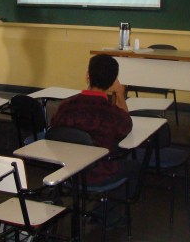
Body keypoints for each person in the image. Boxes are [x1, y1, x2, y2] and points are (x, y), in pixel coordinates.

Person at [50, 54, 139, 197]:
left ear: (87, 76)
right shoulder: (112, 114)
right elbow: (126, 125)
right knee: (133, 164)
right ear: (112, 82)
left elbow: (53, 130)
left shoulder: (64, 107)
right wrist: (120, 94)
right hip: (99, 174)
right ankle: (111, 208)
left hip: (68, 171)